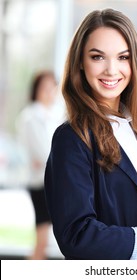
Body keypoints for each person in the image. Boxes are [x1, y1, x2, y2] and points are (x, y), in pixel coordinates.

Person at [44, 9, 137, 260]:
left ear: (134, 63)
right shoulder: (71, 139)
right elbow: (76, 235)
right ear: (80, 62)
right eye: (97, 57)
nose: (111, 70)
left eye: (123, 57)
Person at [16, 70, 61, 259]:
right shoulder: (32, 115)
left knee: (44, 239)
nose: (50, 91)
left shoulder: (51, 115)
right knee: (42, 240)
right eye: (45, 87)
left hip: (47, 179)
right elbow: (44, 152)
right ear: (36, 90)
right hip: (40, 182)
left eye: (53, 87)